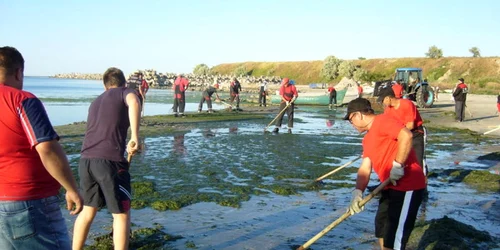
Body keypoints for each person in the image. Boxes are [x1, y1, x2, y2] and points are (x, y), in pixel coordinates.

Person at [0, 46, 83, 249]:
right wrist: (71, 188)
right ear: (19, 72)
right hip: (28, 202)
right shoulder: (21, 100)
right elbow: (46, 148)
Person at [72, 67, 141, 250]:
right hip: (109, 162)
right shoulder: (126, 92)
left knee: (88, 211)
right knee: (121, 214)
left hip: (86, 161)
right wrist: (135, 136)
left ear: (105, 86)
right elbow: (134, 102)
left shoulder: (95, 102)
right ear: (123, 83)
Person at [344, 98, 426, 250]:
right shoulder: (368, 139)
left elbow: (406, 135)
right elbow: (365, 168)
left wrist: (398, 165)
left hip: (407, 187)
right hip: (388, 188)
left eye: (350, 120)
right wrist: (358, 192)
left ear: (358, 115)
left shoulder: (382, 121)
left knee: (394, 238)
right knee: (382, 230)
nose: (352, 125)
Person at [377, 87, 428, 179]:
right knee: (402, 159)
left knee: (418, 160)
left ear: (389, 98)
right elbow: (386, 125)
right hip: (401, 135)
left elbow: (410, 125)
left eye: (383, 100)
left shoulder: (407, 104)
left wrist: (396, 132)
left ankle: (422, 181)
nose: (382, 103)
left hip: (416, 134)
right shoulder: (388, 110)